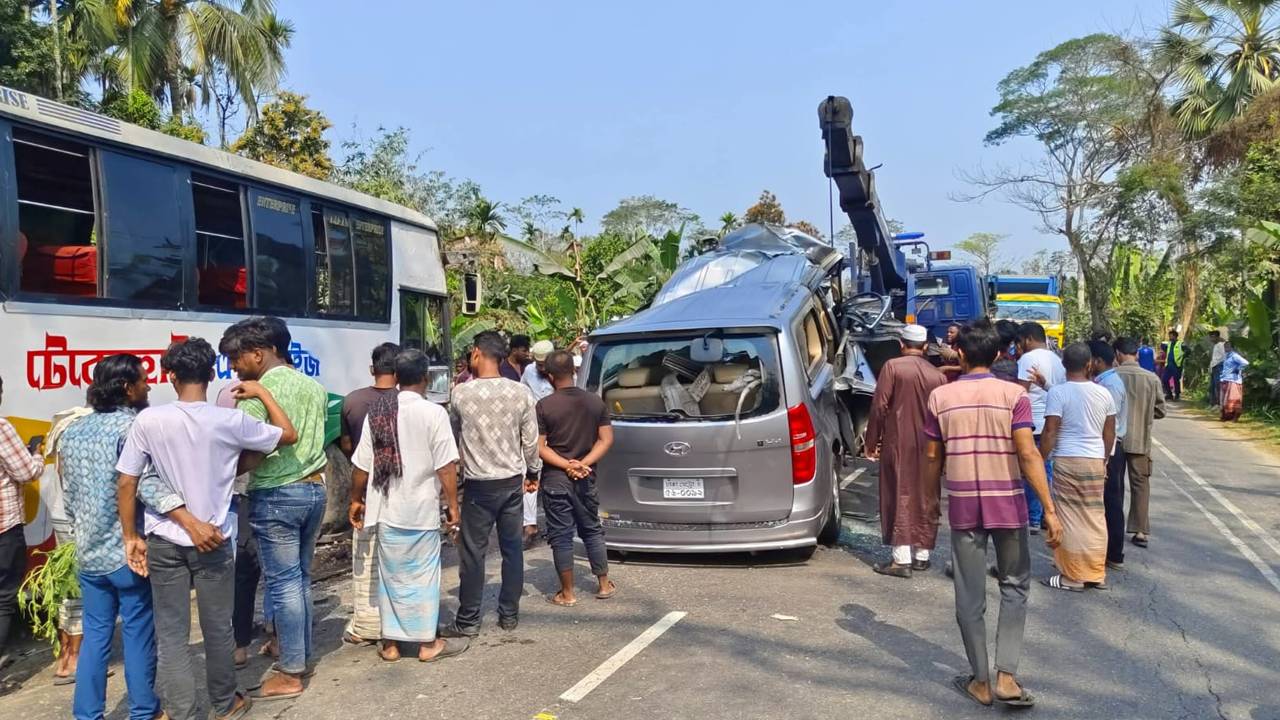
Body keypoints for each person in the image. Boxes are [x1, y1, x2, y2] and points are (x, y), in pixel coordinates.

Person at [116, 338, 298, 720]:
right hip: (215, 539)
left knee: (171, 635)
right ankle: (225, 703)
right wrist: (262, 394)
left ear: (171, 377)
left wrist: (131, 536)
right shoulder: (230, 420)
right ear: (212, 374)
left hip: (164, 538)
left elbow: (127, 482)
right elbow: (286, 435)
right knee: (218, 629)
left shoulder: (149, 420)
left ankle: (180, 711)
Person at [920, 319, 1061, 708]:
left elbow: (932, 457)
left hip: (964, 506)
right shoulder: (1013, 396)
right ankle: (1008, 679)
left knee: (969, 596)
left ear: (960, 355)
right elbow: (1028, 453)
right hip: (1009, 505)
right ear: (999, 354)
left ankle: (980, 681)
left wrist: (931, 500)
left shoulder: (940, 398)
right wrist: (1049, 510)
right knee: (1015, 587)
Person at [60, 355, 178, 720]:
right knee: (138, 631)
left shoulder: (72, 431)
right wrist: (186, 515)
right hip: (130, 551)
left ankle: (86, 714)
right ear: (128, 388)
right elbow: (147, 486)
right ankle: (143, 711)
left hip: (88, 552)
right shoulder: (135, 428)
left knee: (95, 635)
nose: (149, 386)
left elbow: (69, 496)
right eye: (144, 380)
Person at [219, 318, 329, 701]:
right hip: (315, 491)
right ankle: (299, 655)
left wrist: (222, 473)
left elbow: (251, 447)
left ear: (258, 354)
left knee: (283, 584)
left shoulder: (257, 392)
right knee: (298, 580)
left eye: (236, 359)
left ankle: (291, 670)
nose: (234, 367)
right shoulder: (313, 386)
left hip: (277, 494)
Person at [349, 349, 468, 663]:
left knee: (391, 579)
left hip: (386, 511)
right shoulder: (433, 414)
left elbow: (361, 467)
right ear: (427, 378)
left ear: (396, 378)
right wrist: (453, 505)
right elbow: (445, 467)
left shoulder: (377, 412)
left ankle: (391, 645)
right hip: (420, 511)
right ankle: (427, 644)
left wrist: (356, 499)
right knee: (424, 579)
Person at [441, 331, 541, 637]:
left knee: (473, 552)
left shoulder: (460, 394)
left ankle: (469, 620)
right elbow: (531, 442)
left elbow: (452, 436)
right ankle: (508, 614)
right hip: (511, 483)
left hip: (478, 486)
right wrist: (533, 473)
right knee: (512, 549)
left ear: (475, 354)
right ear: (500, 356)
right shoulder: (521, 392)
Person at [864, 325, 947, 578]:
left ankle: (901, 559)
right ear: (925, 347)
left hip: (899, 441)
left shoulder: (893, 367)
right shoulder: (938, 376)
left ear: (901, 344)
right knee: (927, 493)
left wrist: (871, 440)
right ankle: (922, 555)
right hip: (932, 445)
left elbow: (880, 406)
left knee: (900, 491)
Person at [537, 350, 616, 605]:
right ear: (574, 370)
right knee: (592, 530)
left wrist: (565, 464)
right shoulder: (595, 402)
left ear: (549, 376)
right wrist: (583, 464)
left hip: (556, 480)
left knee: (561, 535)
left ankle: (568, 593)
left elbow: (540, 447)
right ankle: (604, 584)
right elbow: (606, 440)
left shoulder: (544, 406)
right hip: (586, 477)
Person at [1038, 343, 1115, 592]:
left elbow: (1050, 431)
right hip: (1094, 459)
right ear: (1089, 364)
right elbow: (1109, 432)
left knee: (1069, 517)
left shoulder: (1058, 393)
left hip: (1067, 459)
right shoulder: (1104, 393)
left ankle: (1072, 576)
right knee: (1094, 517)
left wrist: (1040, 458)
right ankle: (1096, 573)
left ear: (1063, 364)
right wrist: (1103, 460)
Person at [338, 342, 401, 647]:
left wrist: (355, 497)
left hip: (368, 490)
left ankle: (366, 624)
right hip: (402, 493)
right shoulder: (409, 401)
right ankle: (400, 626)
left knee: (366, 563)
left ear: (373, 369)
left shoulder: (352, 401)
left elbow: (349, 449)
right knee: (400, 564)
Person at [0, 374, 45, 696]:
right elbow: (26, 472)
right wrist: (37, 453)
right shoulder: (2, 427)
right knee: (3, 601)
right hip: (4, 528)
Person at [1113, 338, 1165, 551]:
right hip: (1140, 440)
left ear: (1117, 353)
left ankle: (1114, 525)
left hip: (1114, 440)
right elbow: (1161, 410)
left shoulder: (1111, 376)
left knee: (1114, 486)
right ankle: (1140, 530)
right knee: (1140, 485)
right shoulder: (1151, 378)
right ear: (1136, 354)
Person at [1015, 322, 1064, 534]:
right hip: (1052, 421)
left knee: (1033, 469)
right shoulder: (1057, 359)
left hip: (1032, 422)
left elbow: (1020, 393)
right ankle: (1046, 514)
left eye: (1020, 342)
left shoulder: (1028, 358)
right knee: (1047, 469)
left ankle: (1033, 517)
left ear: (1028, 339)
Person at [1089, 341, 1128, 571]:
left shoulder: (1110, 385)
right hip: (1107, 446)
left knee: (1111, 501)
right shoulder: (1104, 381)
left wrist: (1105, 457)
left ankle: (1114, 552)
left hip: (1110, 447)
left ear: (1097, 361)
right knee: (1104, 500)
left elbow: (1109, 425)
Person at [520, 340, 556, 547]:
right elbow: (524, 396)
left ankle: (555, 524)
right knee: (531, 476)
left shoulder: (561, 371)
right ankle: (530, 524)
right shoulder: (528, 372)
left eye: (545, 365)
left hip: (556, 431)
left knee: (554, 479)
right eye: (539, 364)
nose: (541, 368)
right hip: (533, 432)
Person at [1219, 342, 1250, 422]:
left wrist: (1238, 369)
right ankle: (1226, 416)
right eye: (1225, 347)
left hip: (1233, 380)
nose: (1226, 349)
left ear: (1232, 348)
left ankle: (1235, 418)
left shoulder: (1234, 356)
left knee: (1234, 399)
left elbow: (1245, 363)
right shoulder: (1226, 356)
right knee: (1225, 400)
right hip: (1225, 379)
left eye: (1228, 347)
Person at [1162, 329, 1185, 401]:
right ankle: (1169, 394)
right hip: (1169, 365)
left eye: (1171, 336)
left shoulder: (1181, 344)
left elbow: (1188, 350)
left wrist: (1182, 357)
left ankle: (1177, 395)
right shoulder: (1169, 344)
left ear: (1175, 336)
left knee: (1176, 380)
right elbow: (1163, 347)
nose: (1169, 338)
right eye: (1169, 336)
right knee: (1165, 380)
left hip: (1176, 365)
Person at [1208, 330, 1225, 409]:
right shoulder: (1216, 345)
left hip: (1218, 367)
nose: (1212, 339)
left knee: (1217, 386)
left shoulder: (1221, 345)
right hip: (1214, 367)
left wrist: (1219, 364)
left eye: (1214, 337)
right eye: (1211, 337)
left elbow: (1224, 356)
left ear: (1218, 337)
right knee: (1212, 386)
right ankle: (1213, 403)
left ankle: (1218, 404)